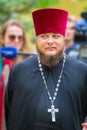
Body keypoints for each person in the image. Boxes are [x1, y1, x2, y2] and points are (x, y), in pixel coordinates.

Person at [5, 8, 87, 130]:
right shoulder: (19, 71)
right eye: (44, 36)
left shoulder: (82, 71)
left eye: (55, 36)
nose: (50, 41)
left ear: (63, 39)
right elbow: (10, 113)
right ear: (36, 39)